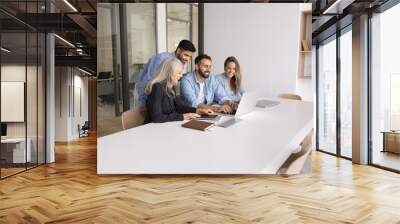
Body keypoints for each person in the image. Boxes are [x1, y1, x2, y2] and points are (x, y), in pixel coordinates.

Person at [145, 57, 214, 123]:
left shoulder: (170, 87)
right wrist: (182, 117)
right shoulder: (157, 87)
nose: (181, 76)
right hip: (153, 129)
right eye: (179, 73)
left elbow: (179, 107)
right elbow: (157, 117)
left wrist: (197, 110)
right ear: (170, 72)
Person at [137, 40, 196, 108]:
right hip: (147, 98)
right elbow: (149, 80)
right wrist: (143, 103)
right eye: (186, 55)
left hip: (161, 99)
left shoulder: (179, 62)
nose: (188, 59)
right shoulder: (162, 58)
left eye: (190, 57)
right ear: (179, 51)